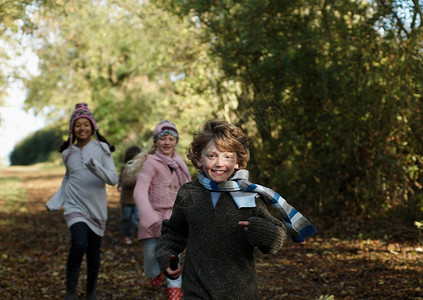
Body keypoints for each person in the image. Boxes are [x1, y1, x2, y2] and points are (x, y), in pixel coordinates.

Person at [156, 119, 316, 299]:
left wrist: (265, 233)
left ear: (238, 161)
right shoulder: (188, 193)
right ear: (198, 158)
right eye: (212, 156)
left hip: (239, 291)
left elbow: (277, 237)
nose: (219, 163)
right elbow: (174, 232)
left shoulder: (249, 196)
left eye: (227, 157)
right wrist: (167, 254)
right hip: (196, 288)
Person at [46, 103, 118, 300]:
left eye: (86, 124)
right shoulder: (67, 153)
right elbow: (68, 178)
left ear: (93, 126)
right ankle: (70, 293)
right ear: (72, 128)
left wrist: (96, 168)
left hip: (96, 208)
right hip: (74, 206)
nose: (82, 128)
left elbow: (113, 179)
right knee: (79, 244)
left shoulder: (102, 149)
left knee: (94, 253)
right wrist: (56, 201)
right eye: (78, 125)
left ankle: (91, 291)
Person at [128, 119, 191, 300]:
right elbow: (139, 190)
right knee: (150, 257)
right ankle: (154, 273)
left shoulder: (181, 164)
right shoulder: (151, 163)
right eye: (163, 139)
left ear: (176, 142)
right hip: (152, 217)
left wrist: (191, 213)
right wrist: (147, 215)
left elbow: (187, 190)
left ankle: (174, 288)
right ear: (155, 142)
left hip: (173, 218)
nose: (167, 142)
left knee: (173, 253)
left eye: (171, 139)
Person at [117, 145, 141, 245]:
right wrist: (120, 185)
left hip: (137, 199)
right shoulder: (126, 168)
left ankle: (138, 233)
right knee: (126, 218)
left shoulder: (141, 167)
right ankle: (126, 235)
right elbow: (124, 181)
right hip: (126, 199)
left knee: (137, 217)